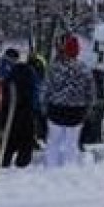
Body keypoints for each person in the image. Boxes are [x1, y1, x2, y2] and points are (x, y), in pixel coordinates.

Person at [40, 36, 93, 168]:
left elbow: (45, 88)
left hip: (56, 109)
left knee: (53, 141)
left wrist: (43, 106)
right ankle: (69, 167)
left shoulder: (54, 68)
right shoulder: (84, 69)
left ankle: (51, 167)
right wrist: (88, 108)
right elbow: (91, 92)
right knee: (72, 142)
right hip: (77, 112)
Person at [0, 49, 39, 168]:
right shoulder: (31, 72)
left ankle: (5, 158)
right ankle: (23, 160)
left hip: (11, 108)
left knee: (9, 135)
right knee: (26, 136)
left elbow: (5, 92)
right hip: (26, 109)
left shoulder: (11, 74)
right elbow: (35, 92)